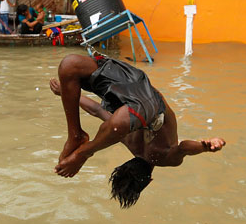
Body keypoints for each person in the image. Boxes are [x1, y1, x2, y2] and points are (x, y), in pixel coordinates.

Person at [49, 54, 226, 207]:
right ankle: (83, 150)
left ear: (148, 182)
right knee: (117, 124)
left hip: (131, 85)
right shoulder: (162, 157)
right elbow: (183, 148)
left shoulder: (131, 142)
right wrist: (203, 147)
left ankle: (77, 136)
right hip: (149, 101)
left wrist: (68, 93)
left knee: (69, 66)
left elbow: (98, 111)